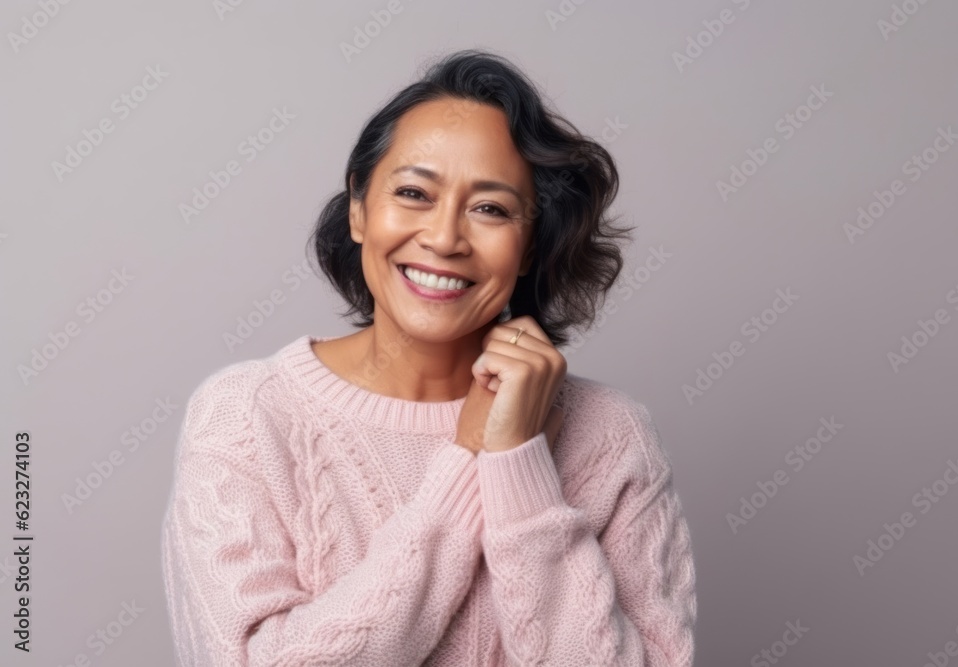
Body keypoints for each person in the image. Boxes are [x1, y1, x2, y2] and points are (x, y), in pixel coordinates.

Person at [160, 48, 696, 666]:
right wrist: (469, 461)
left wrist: (520, 470)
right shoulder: (246, 416)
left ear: (529, 246)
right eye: (414, 192)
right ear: (359, 208)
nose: (444, 239)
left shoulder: (612, 436)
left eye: (491, 209)